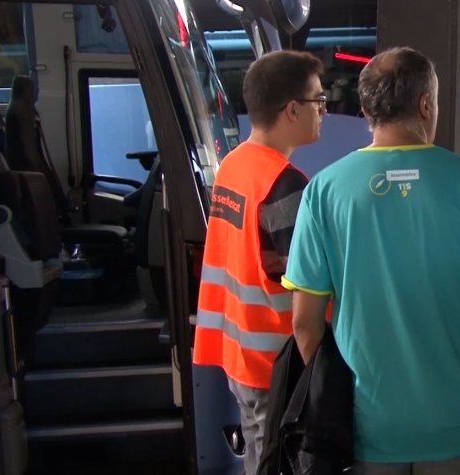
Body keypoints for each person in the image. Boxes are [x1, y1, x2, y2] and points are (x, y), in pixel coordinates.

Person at [281, 46, 460, 474]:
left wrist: (335, 399)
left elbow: (304, 321)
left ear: (366, 110)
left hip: (364, 427)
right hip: (457, 421)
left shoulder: (323, 192)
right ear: (426, 103)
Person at [192, 50, 325, 475]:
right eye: (318, 101)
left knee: (258, 455)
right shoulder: (285, 185)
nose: (323, 111)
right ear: (292, 110)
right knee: (278, 462)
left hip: (239, 350)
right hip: (276, 361)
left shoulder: (233, 165)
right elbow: (303, 281)